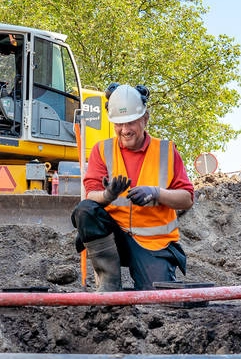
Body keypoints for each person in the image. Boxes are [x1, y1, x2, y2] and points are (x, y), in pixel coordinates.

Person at [71, 84, 194, 291]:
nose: (125, 130)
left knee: (154, 298)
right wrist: (107, 195)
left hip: (154, 243)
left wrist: (157, 193)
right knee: (85, 210)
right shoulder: (102, 150)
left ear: (145, 119)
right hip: (114, 237)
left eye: (131, 122)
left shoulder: (166, 151)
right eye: (119, 124)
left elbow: (187, 199)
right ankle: (109, 280)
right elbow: (91, 195)